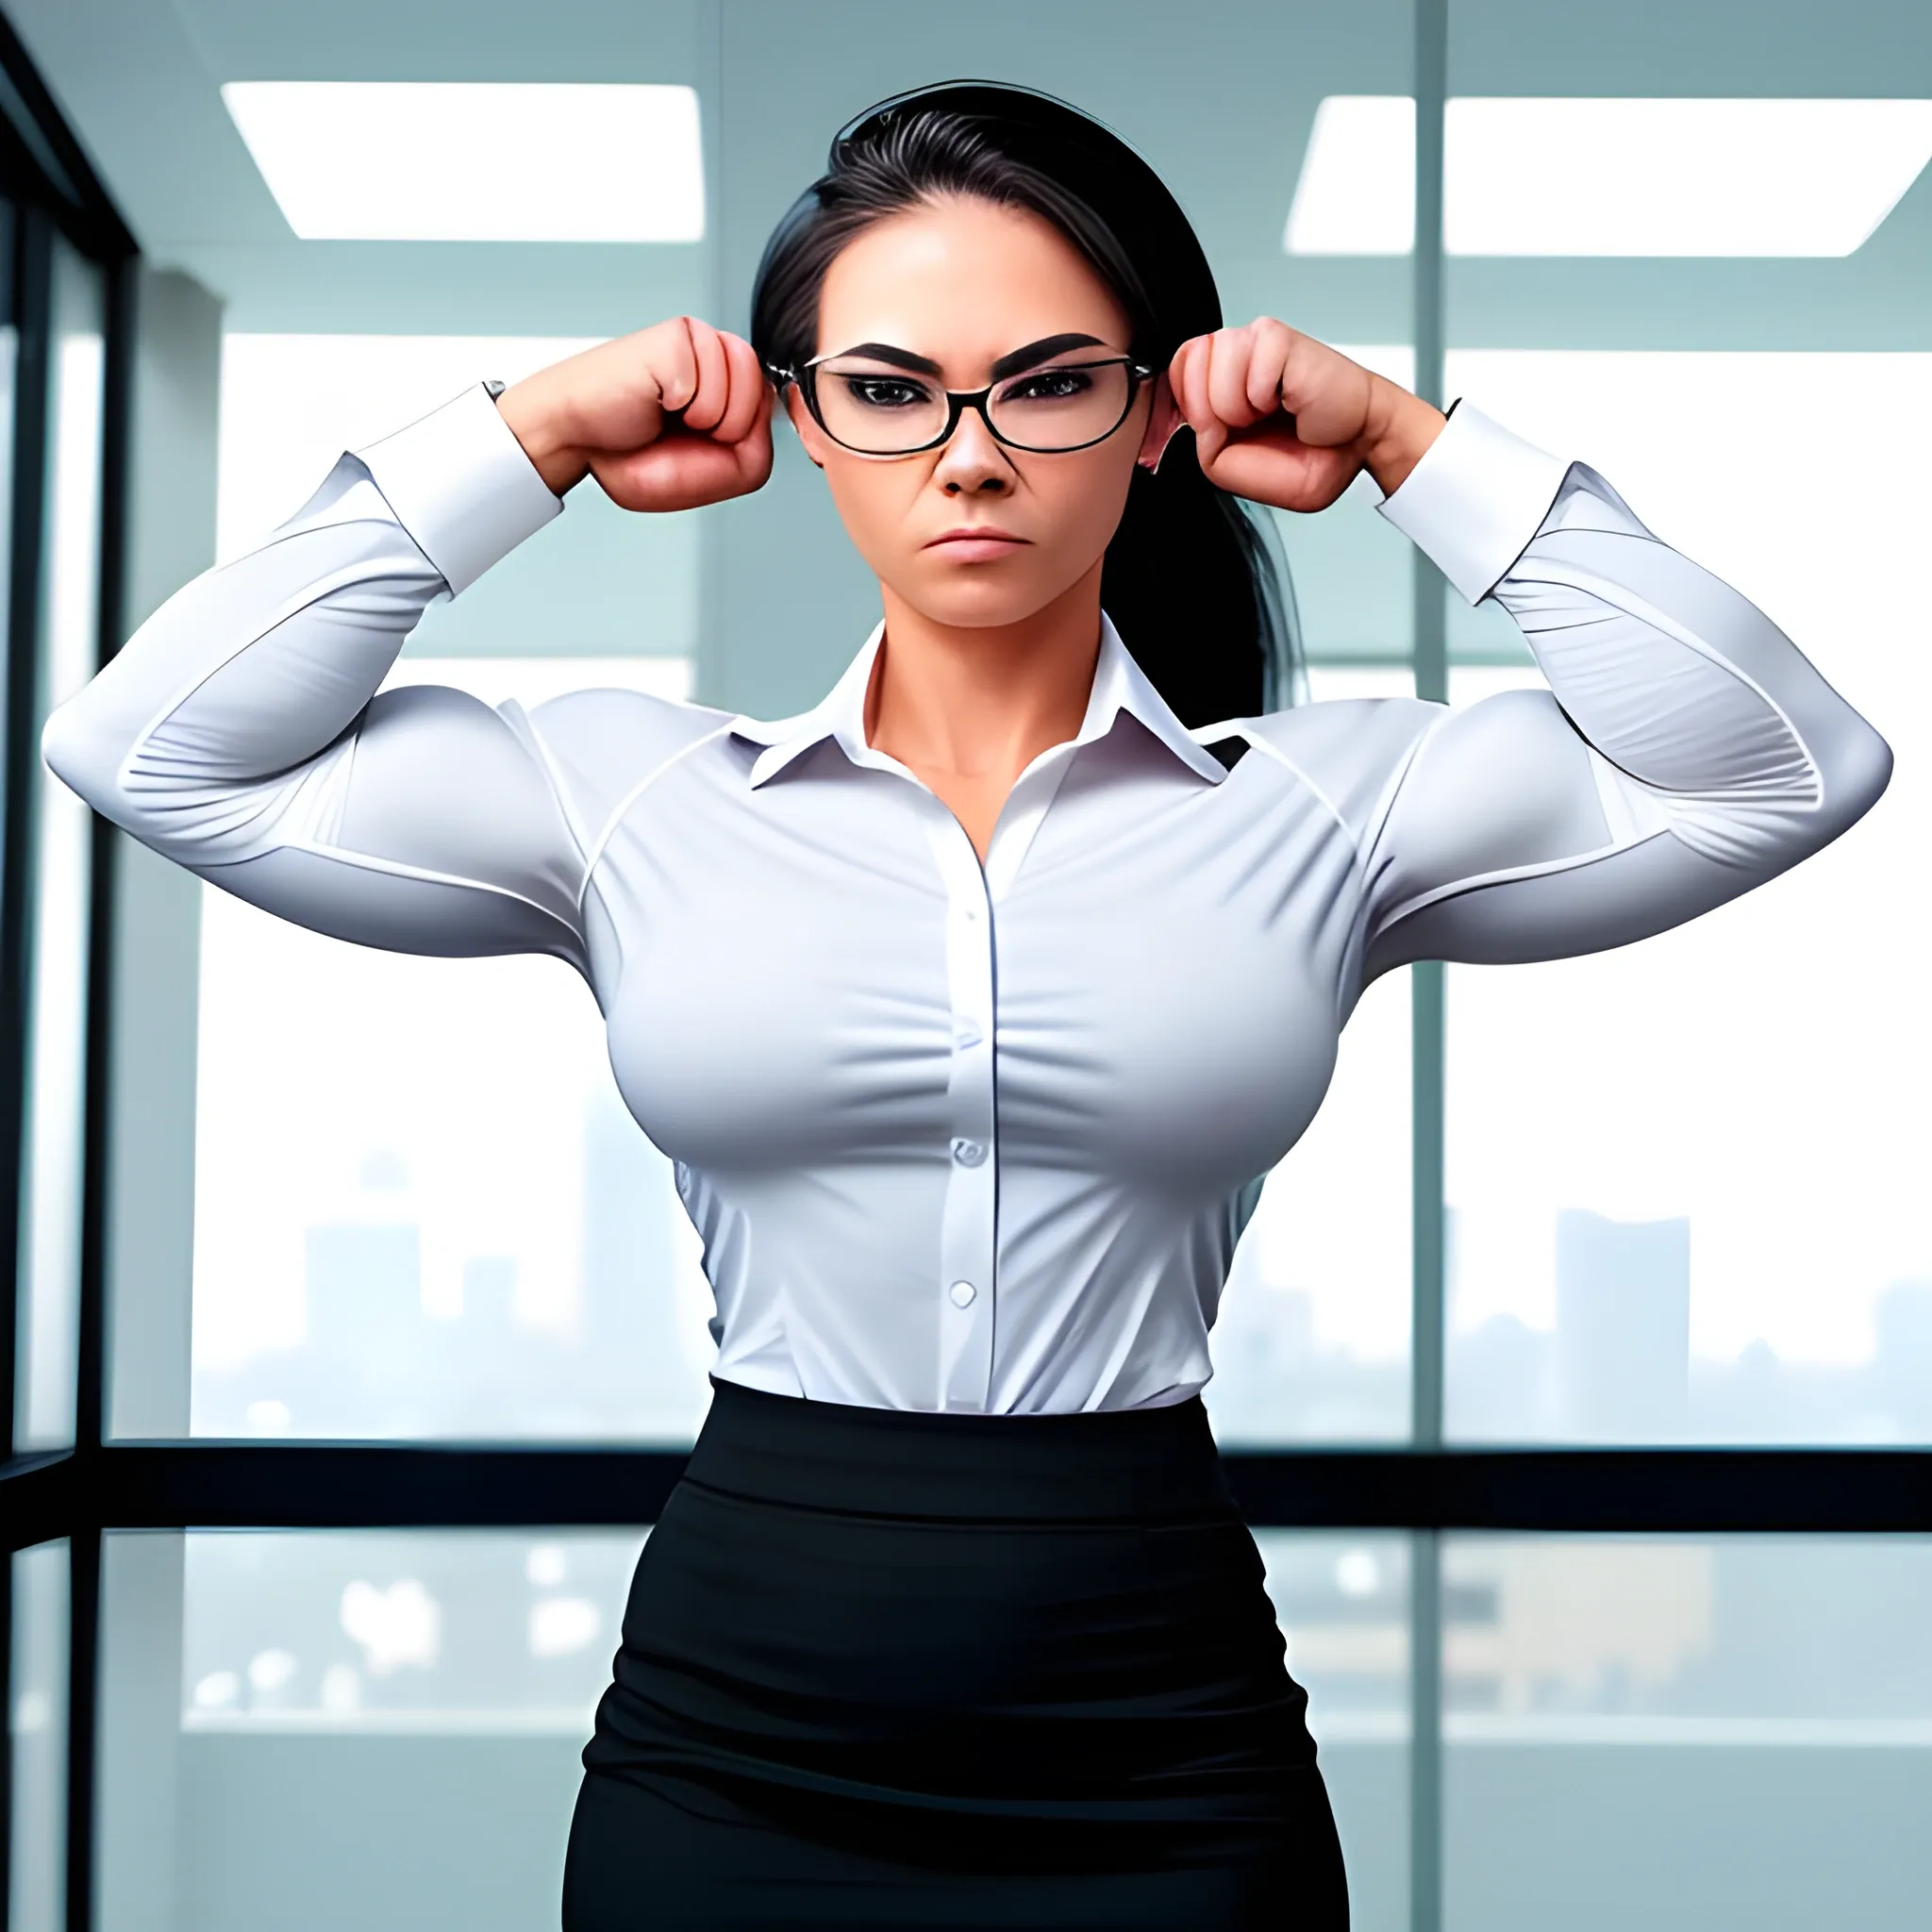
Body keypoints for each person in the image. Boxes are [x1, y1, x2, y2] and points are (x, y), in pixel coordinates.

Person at [43, 78, 1890, 1932]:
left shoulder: (1325, 806)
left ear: (1156, 414)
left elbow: (1785, 769)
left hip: (1160, 1726)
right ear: (804, 419)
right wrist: (530, 437)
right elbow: (147, 746)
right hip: (737, 1722)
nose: (971, 453)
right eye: (890, 386)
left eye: (1048, 380)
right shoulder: (630, 796)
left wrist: (1411, 443)